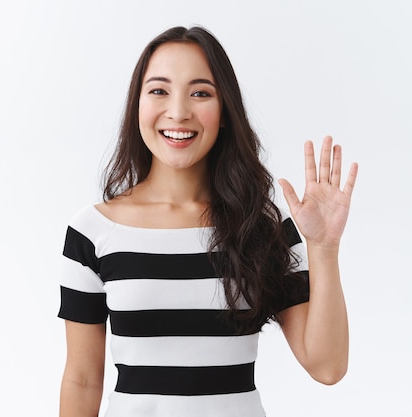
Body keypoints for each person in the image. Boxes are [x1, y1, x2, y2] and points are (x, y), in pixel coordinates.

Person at [57, 25, 358, 417]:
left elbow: (328, 366)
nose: (179, 112)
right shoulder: (93, 233)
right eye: (159, 90)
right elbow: (82, 379)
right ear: (137, 106)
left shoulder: (261, 227)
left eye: (200, 92)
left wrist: (324, 248)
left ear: (225, 113)